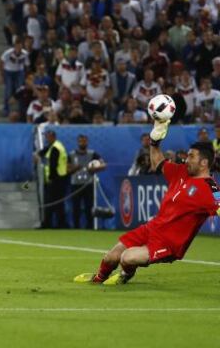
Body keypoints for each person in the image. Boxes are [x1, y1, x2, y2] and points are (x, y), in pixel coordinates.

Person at [75, 120, 220, 285]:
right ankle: (98, 279)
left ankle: (125, 275)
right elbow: (158, 163)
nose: (186, 160)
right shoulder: (181, 172)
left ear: (204, 163)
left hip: (169, 243)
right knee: (111, 257)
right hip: (151, 228)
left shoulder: (211, 188)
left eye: (192, 156)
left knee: (127, 258)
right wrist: (154, 142)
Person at [67, 135, 106, 229]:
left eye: (84, 141)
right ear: (77, 142)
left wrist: (94, 168)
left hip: (88, 183)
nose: (82, 143)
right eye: (80, 141)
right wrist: (74, 168)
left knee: (89, 206)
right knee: (76, 207)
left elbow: (103, 165)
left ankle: (90, 226)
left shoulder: (92, 154)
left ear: (87, 142)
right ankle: (76, 226)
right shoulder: (71, 154)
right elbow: (67, 169)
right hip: (75, 183)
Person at [38, 129, 68, 228]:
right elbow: (43, 151)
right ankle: (60, 223)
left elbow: (53, 165)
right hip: (60, 178)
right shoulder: (54, 146)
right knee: (57, 203)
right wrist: (38, 154)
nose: (46, 138)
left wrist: (51, 178)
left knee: (51, 202)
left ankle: (48, 223)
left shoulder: (55, 148)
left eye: (47, 136)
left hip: (56, 178)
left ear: (53, 136)